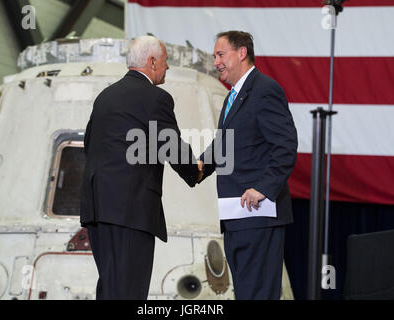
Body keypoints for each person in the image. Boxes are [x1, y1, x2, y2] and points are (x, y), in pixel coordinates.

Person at [80, 35, 203, 300]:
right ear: (152, 62)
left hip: (98, 209)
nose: (167, 67)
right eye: (166, 61)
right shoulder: (155, 98)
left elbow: (90, 144)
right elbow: (171, 145)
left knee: (112, 288)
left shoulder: (105, 96)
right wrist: (195, 171)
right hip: (130, 211)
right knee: (129, 292)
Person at [198, 31, 298, 299]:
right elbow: (226, 145)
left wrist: (262, 188)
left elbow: (285, 147)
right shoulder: (233, 97)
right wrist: (198, 166)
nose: (216, 62)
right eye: (215, 56)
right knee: (246, 293)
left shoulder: (265, 90)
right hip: (237, 219)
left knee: (258, 294)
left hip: (258, 216)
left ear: (241, 53)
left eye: (221, 55)